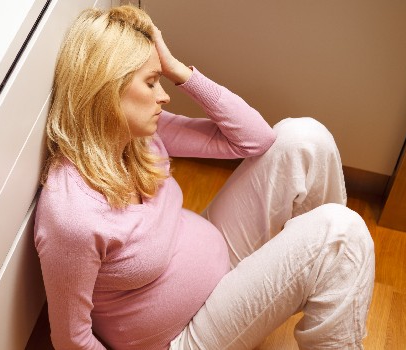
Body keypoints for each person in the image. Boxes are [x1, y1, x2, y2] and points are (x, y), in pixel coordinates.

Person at [34, 5, 375, 350]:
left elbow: (254, 139)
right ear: (108, 90)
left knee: (304, 138)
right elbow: (71, 340)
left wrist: (179, 70)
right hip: (179, 338)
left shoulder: (138, 135)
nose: (164, 95)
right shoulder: (71, 215)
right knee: (340, 234)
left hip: (217, 260)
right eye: (151, 82)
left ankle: (329, 282)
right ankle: (326, 270)